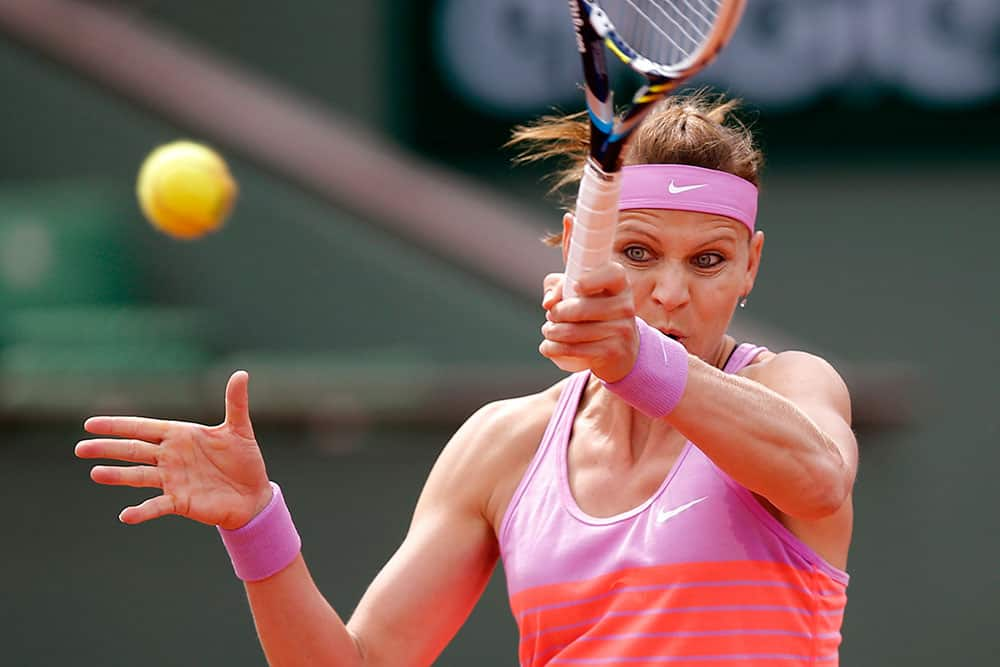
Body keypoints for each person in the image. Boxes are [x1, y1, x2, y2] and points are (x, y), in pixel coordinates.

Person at [75, 92, 857, 667]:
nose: (671, 292)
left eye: (709, 260)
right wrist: (256, 524)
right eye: (638, 252)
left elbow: (820, 479)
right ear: (577, 247)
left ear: (750, 263)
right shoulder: (502, 445)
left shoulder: (794, 387)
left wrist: (636, 360)